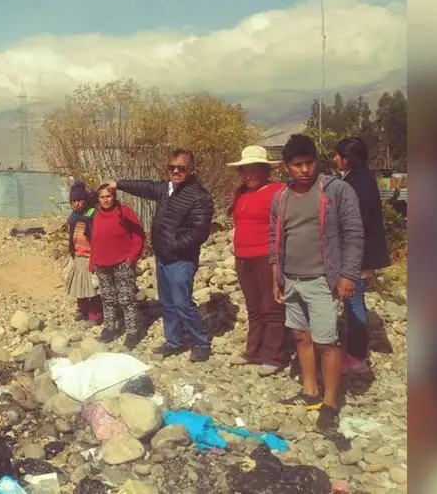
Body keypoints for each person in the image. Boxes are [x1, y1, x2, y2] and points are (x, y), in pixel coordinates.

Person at [270, 134, 364, 430]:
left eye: (309, 162)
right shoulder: (281, 197)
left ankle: (330, 402)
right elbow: (275, 237)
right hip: (292, 279)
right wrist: (276, 276)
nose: (305, 170)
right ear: (287, 167)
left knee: (328, 342)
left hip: (323, 280)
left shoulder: (337, 191)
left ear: (317, 162)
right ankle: (310, 392)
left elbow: (354, 233)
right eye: (298, 165)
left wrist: (348, 274)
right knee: (301, 336)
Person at [104, 148, 214, 362]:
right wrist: (118, 184)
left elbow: (199, 232)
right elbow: (145, 187)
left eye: (181, 168)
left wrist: (173, 246)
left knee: (182, 303)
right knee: (167, 303)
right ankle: (174, 342)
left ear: (191, 170)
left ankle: (201, 342)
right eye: (171, 167)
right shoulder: (166, 189)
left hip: (181, 260)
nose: (175, 171)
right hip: (163, 258)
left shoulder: (200, 196)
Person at [332, 137, 391, 374]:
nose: (334, 159)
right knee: (355, 302)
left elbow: (358, 222)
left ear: (347, 158)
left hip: (357, 254)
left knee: (354, 303)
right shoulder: (362, 179)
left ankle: (356, 357)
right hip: (361, 253)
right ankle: (356, 350)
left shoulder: (356, 184)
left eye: (338, 155)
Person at [226, 145, 285, 376]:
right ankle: (253, 350)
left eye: (253, 170)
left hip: (266, 257)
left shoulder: (278, 192)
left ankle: (272, 355)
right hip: (243, 257)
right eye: (244, 170)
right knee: (253, 307)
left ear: (264, 170)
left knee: (271, 305)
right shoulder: (241, 193)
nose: (248, 175)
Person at [88, 184, 146, 349]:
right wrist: (92, 263)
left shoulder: (124, 211)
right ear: (98, 199)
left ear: (114, 196)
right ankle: (110, 328)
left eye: (109, 196)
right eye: (102, 197)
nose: (106, 200)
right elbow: (94, 239)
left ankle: (133, 331)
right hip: (102, 264)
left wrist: (131, 257)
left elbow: (138, 235)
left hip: (122, 263)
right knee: (107, 299)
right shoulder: (94, 214)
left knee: (126, 298)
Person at [65, 181, 102, 324]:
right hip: (78, 255)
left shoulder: (93, 214)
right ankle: (82, 308)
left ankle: (95, 314)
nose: (77, 204)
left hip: (90, 256)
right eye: (73, 201)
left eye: (80, 200)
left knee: (92, 288)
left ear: (86, 200)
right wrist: (72, 252)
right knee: (79, 284)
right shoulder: (73, 217)